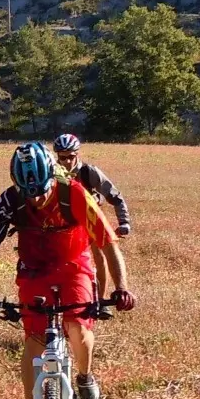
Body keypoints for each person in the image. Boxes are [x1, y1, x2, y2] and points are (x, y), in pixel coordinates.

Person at [0, 142, 136, 399]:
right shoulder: (9, 201)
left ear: (52, 177)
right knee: (34, 339)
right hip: (35, 270)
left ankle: (85, 381)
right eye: (28, 192)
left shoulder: (73, 193)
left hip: (75, 265)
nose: (35, 198)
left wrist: (121, 287)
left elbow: (107, 245)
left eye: (41, 191)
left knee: (78, 324)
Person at [52, 133, 133, 319]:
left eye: (70, 157)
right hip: (66, 225)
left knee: (99, 255)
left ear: (77, 154)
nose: (66, 162)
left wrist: (124, 222)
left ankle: (100, 302)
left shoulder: (90, 172)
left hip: (91, 220)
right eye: (61, 157)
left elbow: (115, 197)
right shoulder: (53, 173)